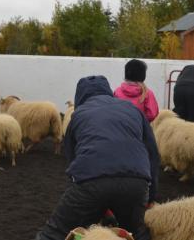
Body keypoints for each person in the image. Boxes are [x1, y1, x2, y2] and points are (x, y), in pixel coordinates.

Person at [36, 75, 160, 240]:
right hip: (136, 182)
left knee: (54, 233)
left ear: (79, 97)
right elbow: (152, 153)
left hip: (91, 181)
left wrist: (88, 200)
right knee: (138, 232)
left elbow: (73, 160)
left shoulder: (78, 114)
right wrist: (151, 196)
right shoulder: (132, 109)